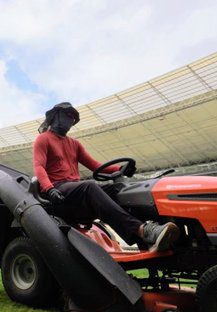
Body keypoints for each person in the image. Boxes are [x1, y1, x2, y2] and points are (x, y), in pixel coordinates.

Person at [33, 102, 179, 251]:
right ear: (56, 116)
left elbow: (95, 166)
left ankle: (145, 240)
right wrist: (49, 188)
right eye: (67, 115)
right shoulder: (43, 139)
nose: (71, 119)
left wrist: (120, 169)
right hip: (57, 193)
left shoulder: (74, 144)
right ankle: (144, 230)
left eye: (73, 117)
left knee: (116, 189)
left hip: (75, 192)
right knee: (89, 186)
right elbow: (39, 167)